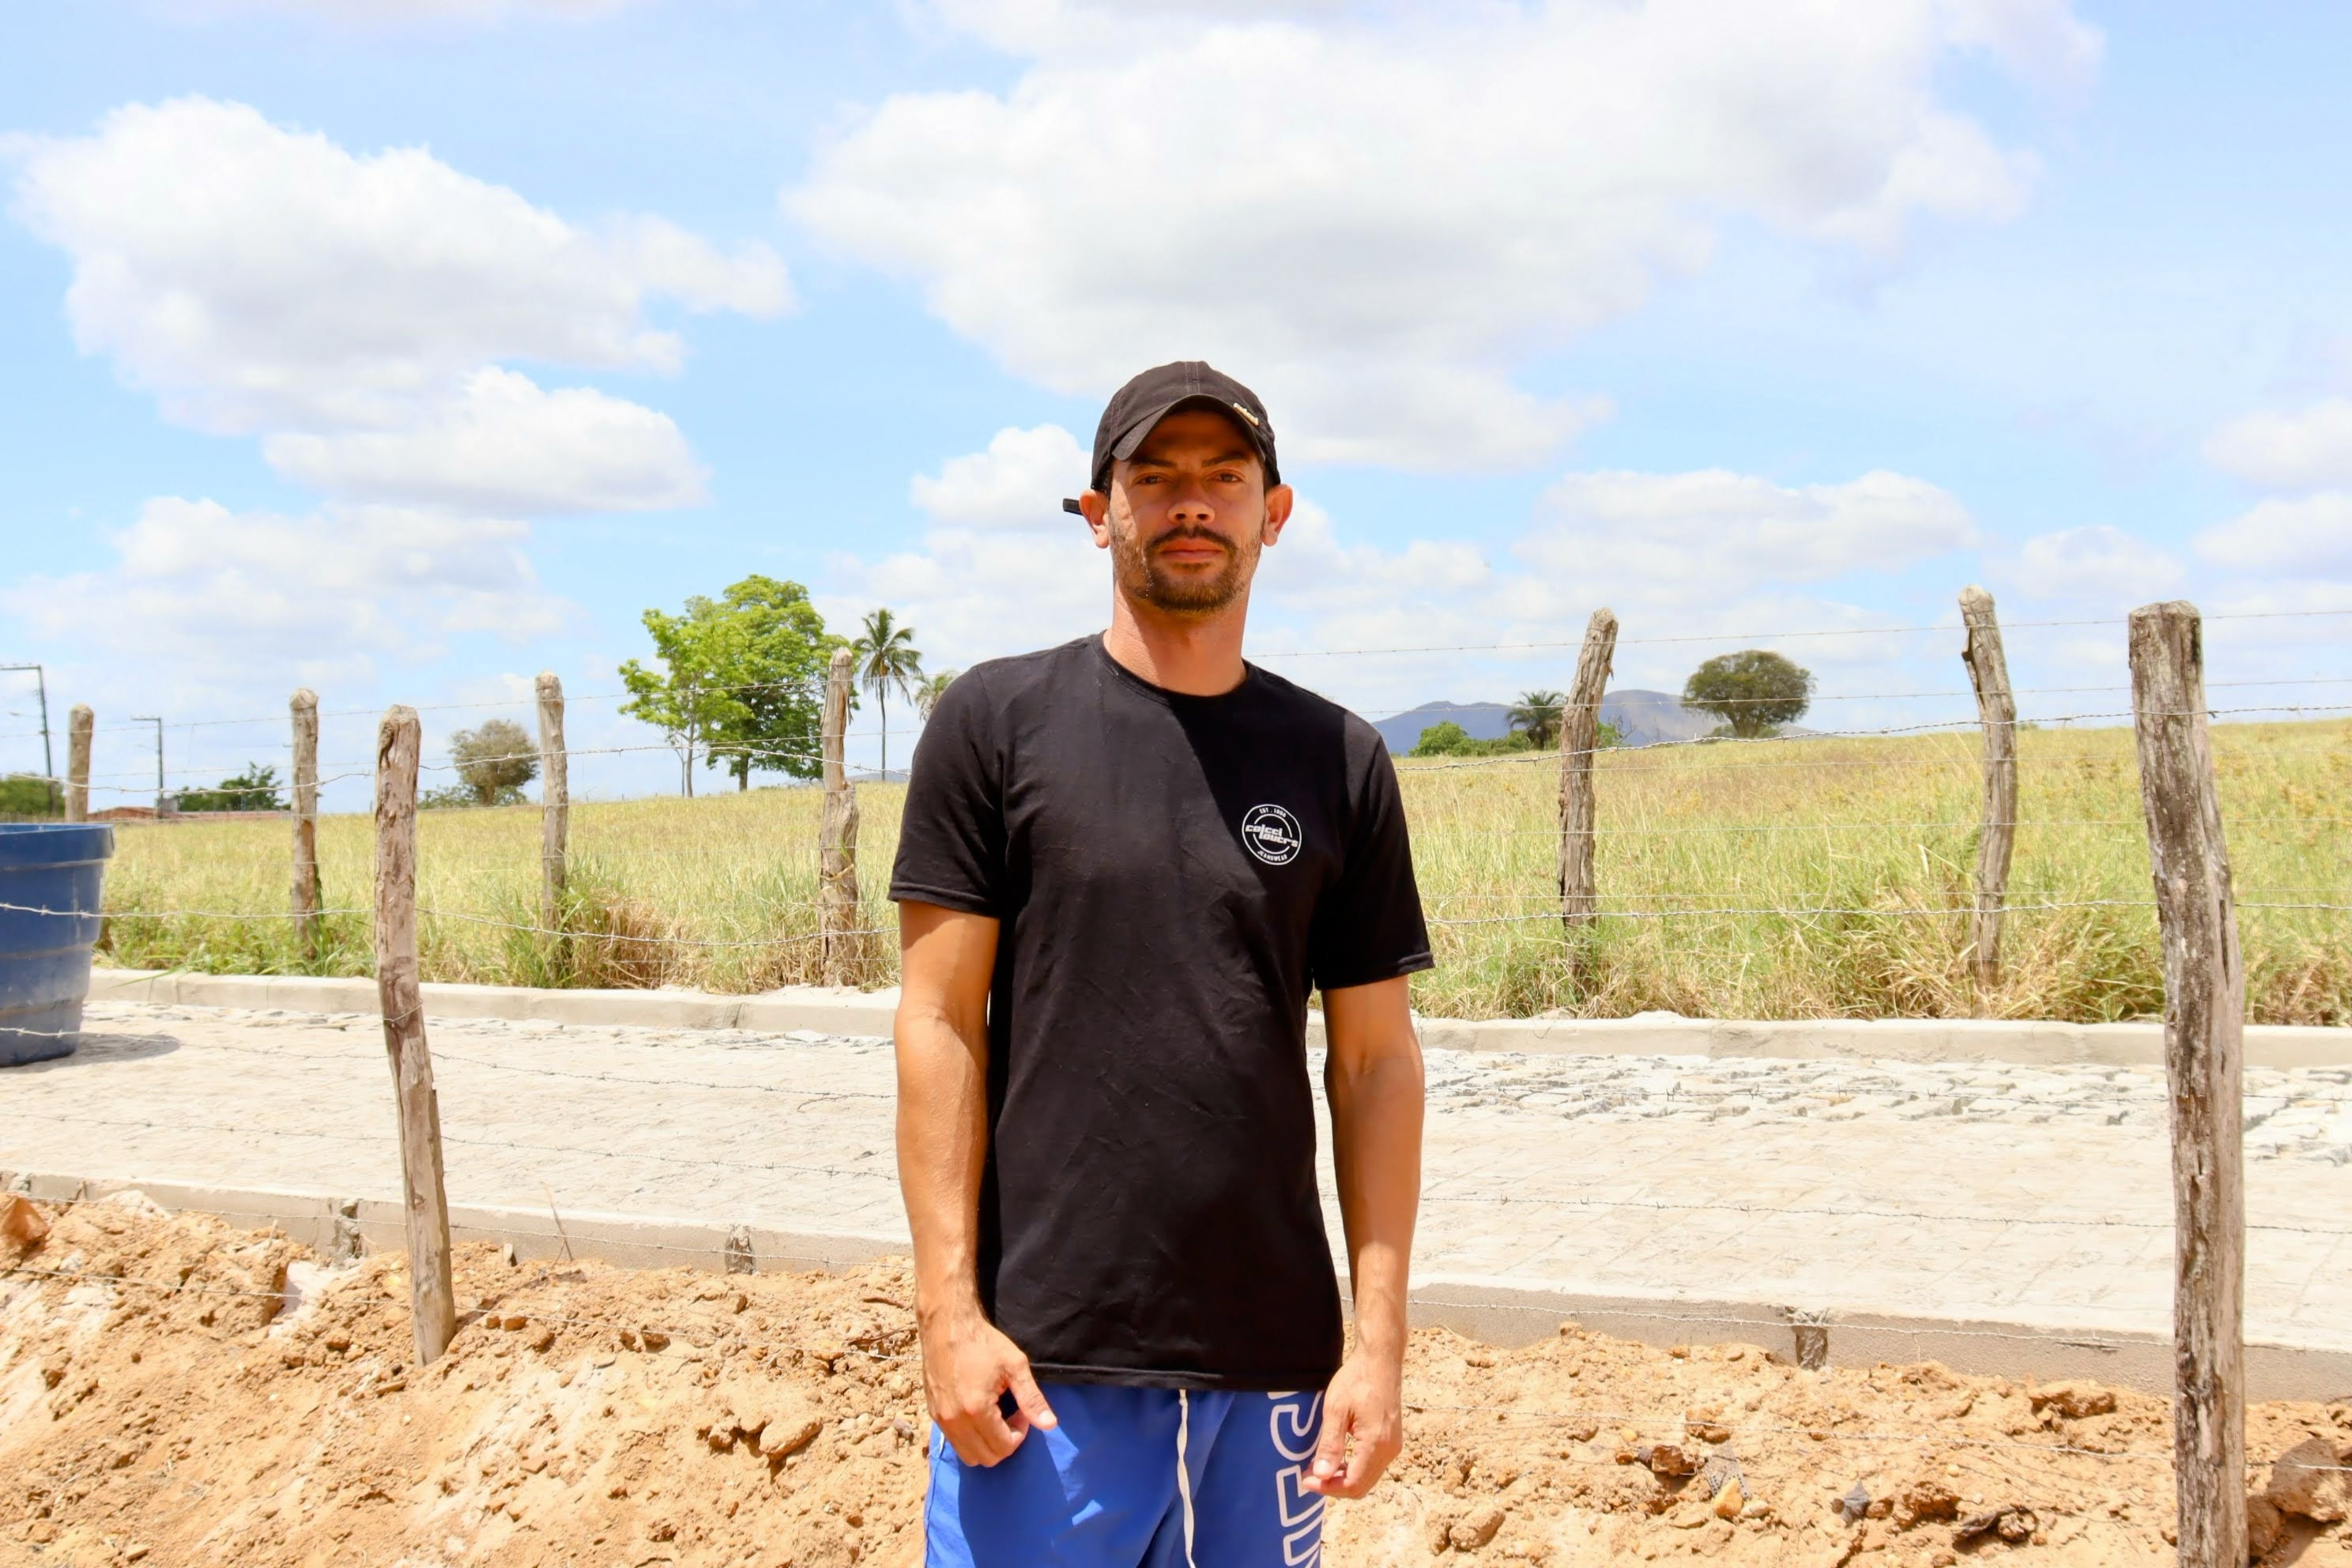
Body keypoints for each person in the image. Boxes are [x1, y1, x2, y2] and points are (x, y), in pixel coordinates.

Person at [891, 360, 1432, 1567]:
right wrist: (949, 1312)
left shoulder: (1337, 757)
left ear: (1272, 514)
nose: (1192, 503)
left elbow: (1376, 1064)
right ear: (1101, 515)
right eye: (1155, 477)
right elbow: (938, 1025)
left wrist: (1376, 1341)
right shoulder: (994, 724)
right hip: (1041, 1369)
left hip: (1272, 1371)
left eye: (1224, 478)